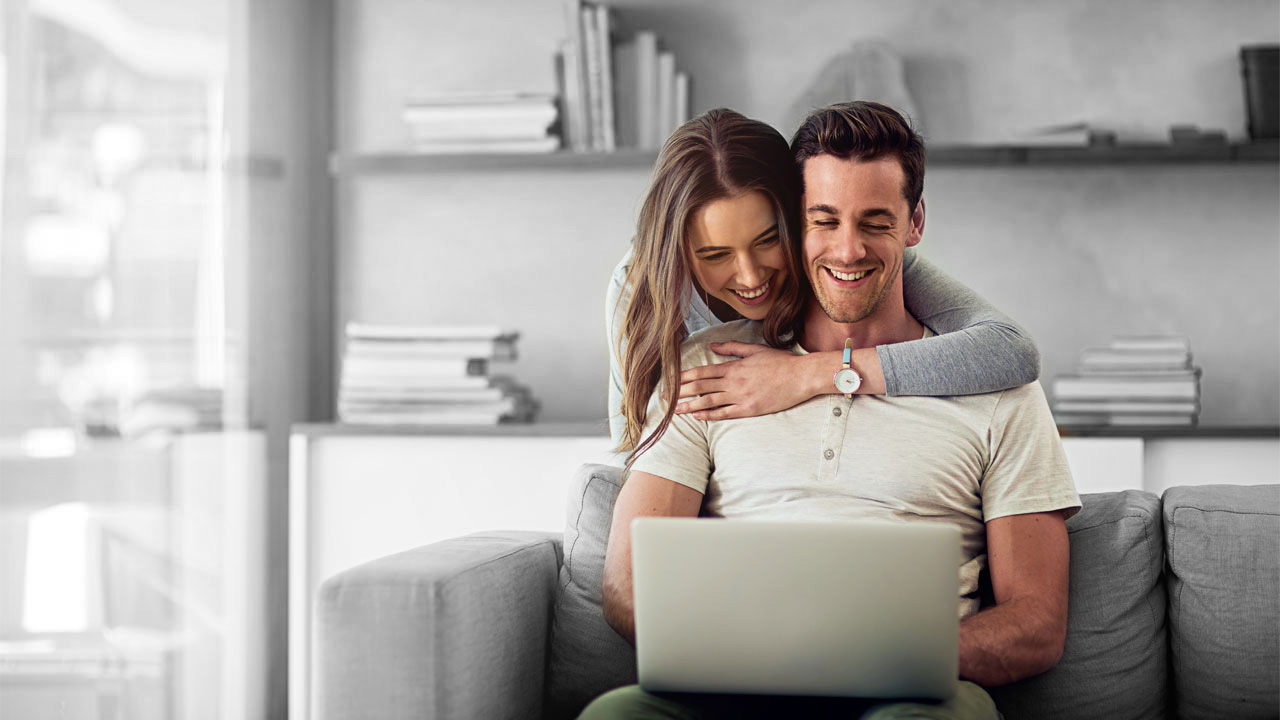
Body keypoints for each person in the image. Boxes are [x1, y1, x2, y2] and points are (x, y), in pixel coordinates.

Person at [583, 102, 1081, 719]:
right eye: (824, 220)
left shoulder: (1000, 387)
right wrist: (754, 656)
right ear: (799, 222)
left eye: (876, 221)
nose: (848, 250)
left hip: (910, 691)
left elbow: (1035, 626)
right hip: (735, 684)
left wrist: (872, 653)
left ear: (915, 221)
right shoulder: (702, 366)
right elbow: (626, 584)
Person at [605, 108, 1040, 459]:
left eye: (769, 239)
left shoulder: (855, 257)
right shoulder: (641, 288)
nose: (751, 277)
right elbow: (634, 450)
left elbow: (1009, 349)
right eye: (715, 255)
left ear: (795, 219)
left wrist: (804, 374)